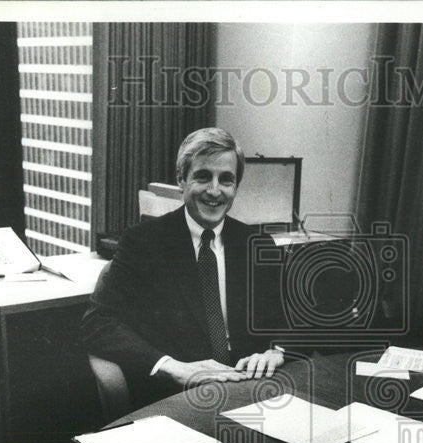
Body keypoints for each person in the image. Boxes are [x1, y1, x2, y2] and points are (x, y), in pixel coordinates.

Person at [81, 127, 285, 408]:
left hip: (249, 390)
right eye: (203, 176)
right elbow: (98, 324)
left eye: (226, 180)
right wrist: (171, 366)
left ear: (236, 186)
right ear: (181, 180)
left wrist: (277, 351)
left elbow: (292, 314)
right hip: (178, 395)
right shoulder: (143, 242)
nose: (215, 191)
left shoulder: (255, 243)